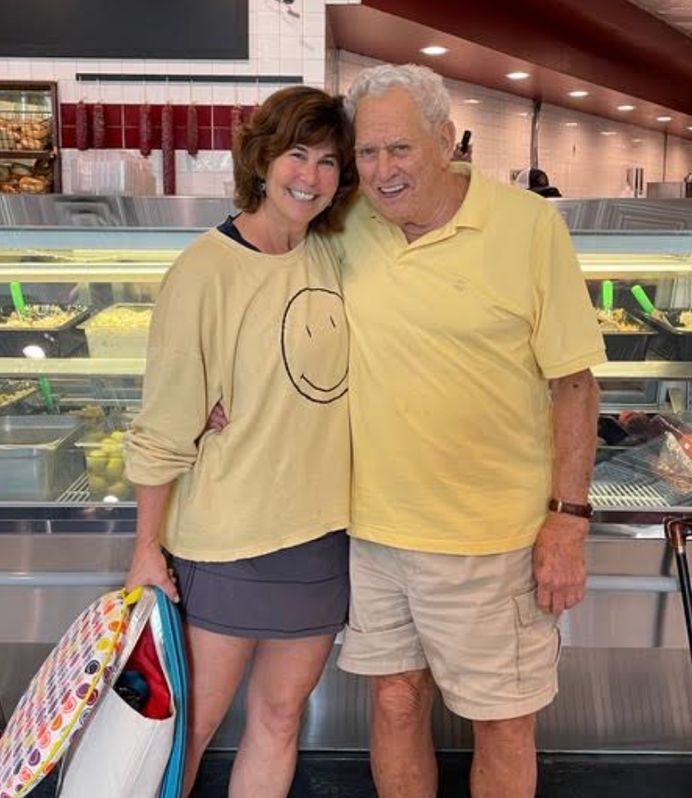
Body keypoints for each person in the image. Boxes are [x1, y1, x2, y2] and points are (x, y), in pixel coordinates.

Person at [334, 64, 605, 798]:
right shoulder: (346, 224)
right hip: (375, 531)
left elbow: (575, 383)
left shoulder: (526, 225)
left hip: (492, 537)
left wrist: (567, 523)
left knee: (504, 722)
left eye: (400, 150)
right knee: (392, 701)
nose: (382, 172)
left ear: (446, 141)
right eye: (367, 153)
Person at [123, 85, 358, 798]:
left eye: (327, 162)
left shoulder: (335, 255)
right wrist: (144, 549)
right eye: (296, 154)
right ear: (261, 159)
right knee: (187, 728)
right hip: (225, 538)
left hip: (320, 531)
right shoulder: (204, 271)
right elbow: (165, 423)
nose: (309, 177)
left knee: (282, 717)